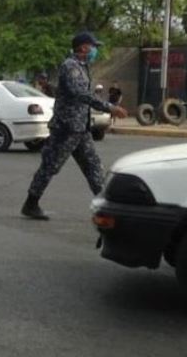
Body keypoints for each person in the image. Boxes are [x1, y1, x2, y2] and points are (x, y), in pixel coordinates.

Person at [21, 32, 128, 220]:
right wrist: (110, 107)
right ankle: (31, 203)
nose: (95, 50)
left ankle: (105, 207)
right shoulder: (70, 67)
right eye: (94, 47)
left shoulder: (82, 66)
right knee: (50, 166)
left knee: (93, 166)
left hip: (80, 128)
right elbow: (81, 94)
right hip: (66, 128)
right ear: (84, 47)